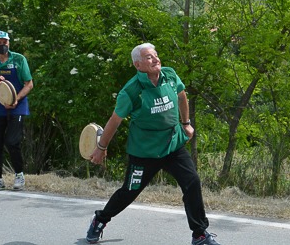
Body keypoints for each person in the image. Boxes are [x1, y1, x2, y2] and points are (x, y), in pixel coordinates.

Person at [86, 43, 221, 245]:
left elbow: (182, 96)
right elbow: (114, 121)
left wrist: (186, 123)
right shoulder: (131, 91)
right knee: (129, 192)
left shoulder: (170, 75)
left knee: (192, 182)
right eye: (149, 57)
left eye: (156, 55)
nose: (156, 59)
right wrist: (101, 148)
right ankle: (100, 219)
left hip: (172, 145)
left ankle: (199, 234)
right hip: (144, 152)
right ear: (137, 64)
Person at [0, 30, 34, 193]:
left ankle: (19, 176)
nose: (2, 45)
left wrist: (16, 99)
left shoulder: (19, 59)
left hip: (17, 106)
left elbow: (29, 84)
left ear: (9, 43)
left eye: (5, 42)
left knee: (12, 142)